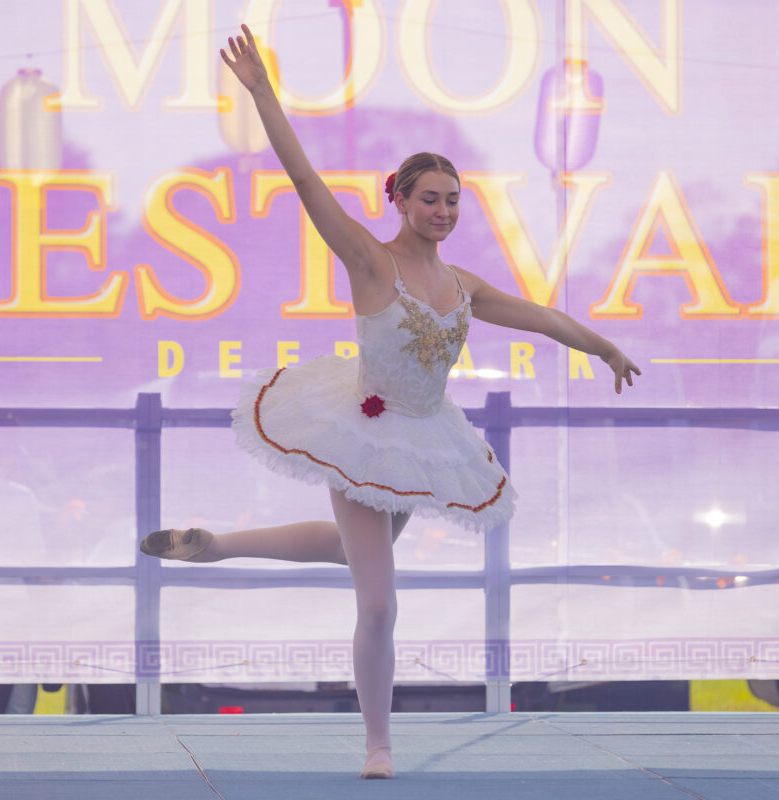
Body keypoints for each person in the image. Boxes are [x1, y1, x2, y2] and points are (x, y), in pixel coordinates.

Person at [140, 25, 640, 780]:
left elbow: (538, 314)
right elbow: (306, 182)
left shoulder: (463, 285)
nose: (442, 211)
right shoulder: (369, 261)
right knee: (377, 601)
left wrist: (598, 345)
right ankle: (378, 743)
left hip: (424, 438)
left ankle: (215, 545)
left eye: (451, 201)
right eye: (429, 199)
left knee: (352, 550)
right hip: (361, 431)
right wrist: (264, 94)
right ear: (399, 202)